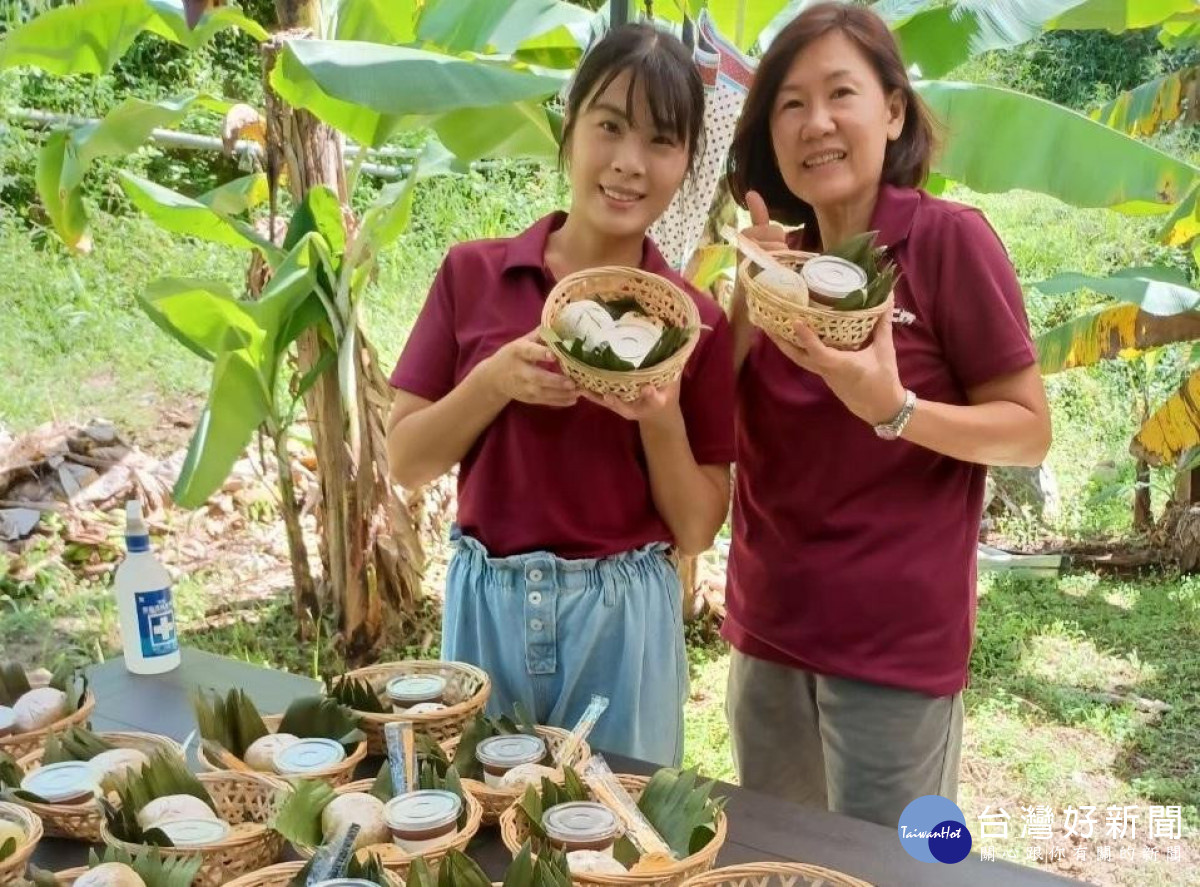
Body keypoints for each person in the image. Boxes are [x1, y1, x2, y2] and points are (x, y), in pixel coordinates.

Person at [723, 1, 1052, 826]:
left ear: (893, 110)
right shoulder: (772, 262)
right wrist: (744, 292)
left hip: (892, 654)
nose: (816, 123)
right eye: (790, 104)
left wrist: (897, 409)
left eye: (841, 94)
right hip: (768, 636)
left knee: (890, 873)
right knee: (784, 870)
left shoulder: (946, 243)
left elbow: (1026, 426)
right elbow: (717, 420)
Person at [385, 23, 734, 767]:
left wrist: (659, 414)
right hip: (489, 611)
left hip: (625, 624)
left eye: (662, 142)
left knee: (614, 844)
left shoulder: (694, 323)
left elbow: (699, 527)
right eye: (609, 126)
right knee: (480, 832)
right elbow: (407, 460)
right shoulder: (473, 276)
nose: (629, 164)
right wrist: (494, 382)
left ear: (687, 164)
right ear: (569, 126)